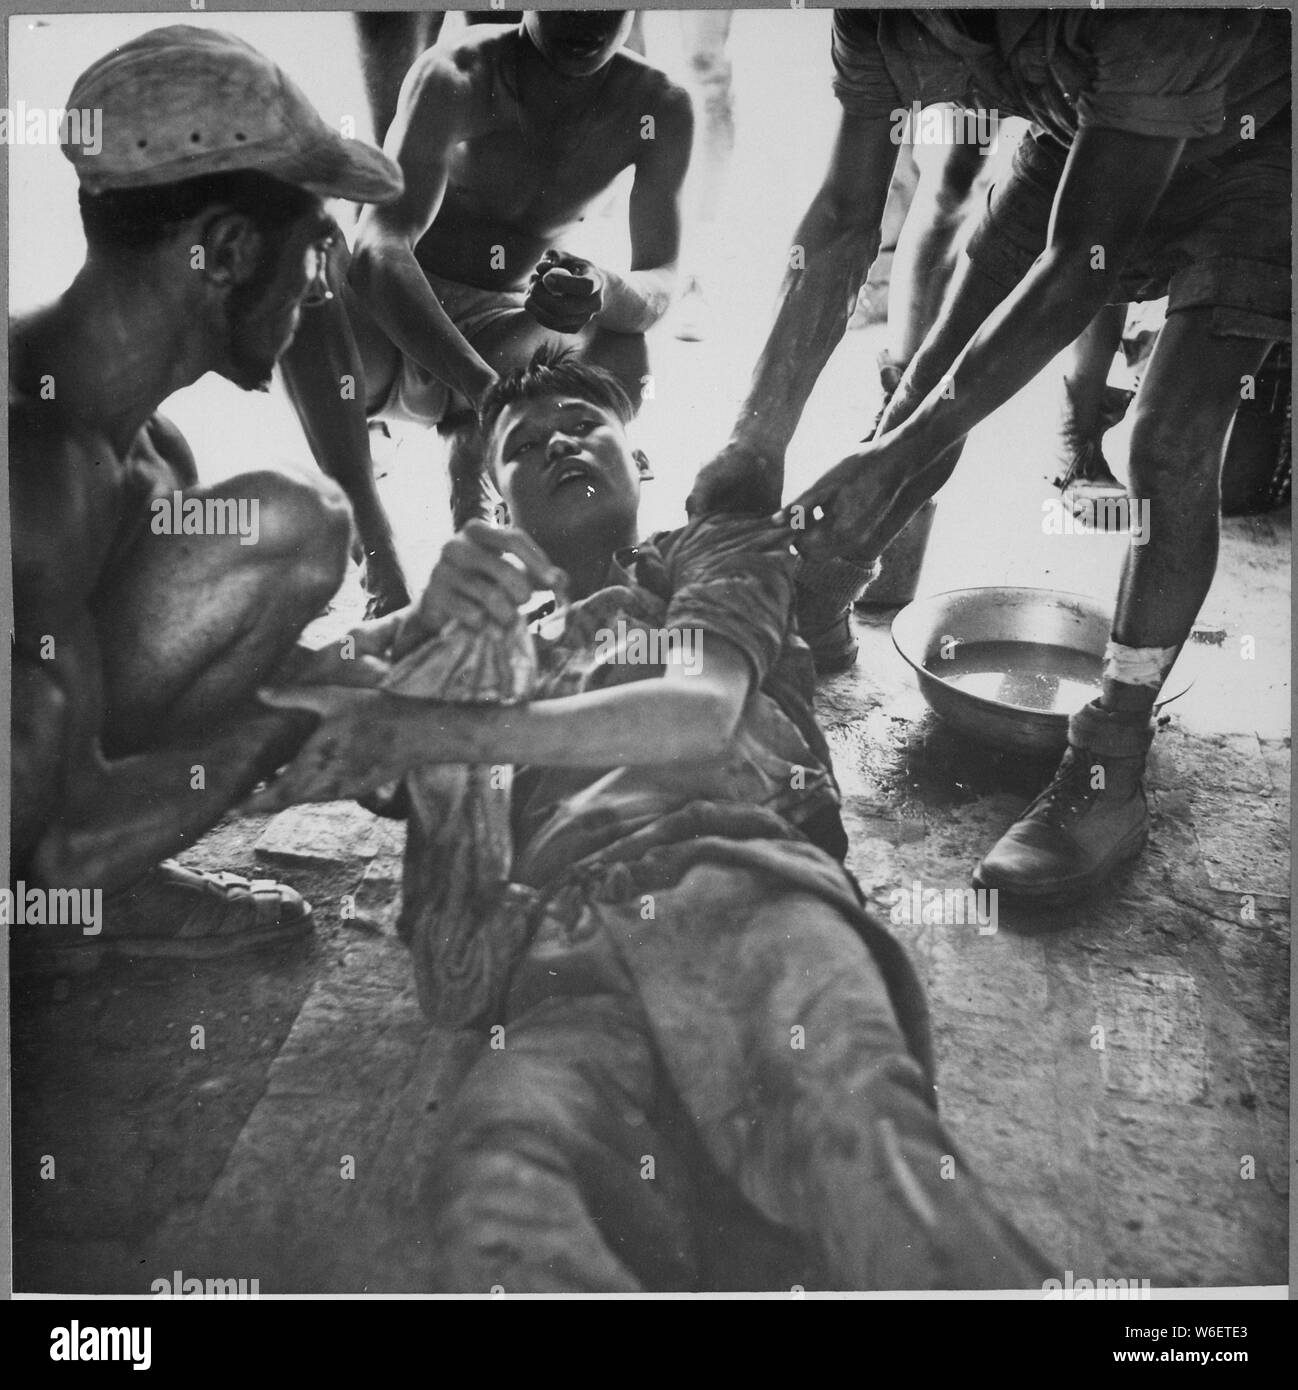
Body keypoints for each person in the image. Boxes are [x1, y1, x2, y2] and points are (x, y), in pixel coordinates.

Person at [251, 350, 1052, 1291]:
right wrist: (418, 643)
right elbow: (274, 708)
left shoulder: (711, 552)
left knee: (865, 1137)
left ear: (646, 469)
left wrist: (422, 725)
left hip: (750, 887)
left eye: (586, 426)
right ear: (496, 503)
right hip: (569, 950)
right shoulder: (484, 646)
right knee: (496, 1188)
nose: (560, 441)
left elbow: (697, 712)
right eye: (525, 444)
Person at [690, 9, 1290, 900]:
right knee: (924, 378)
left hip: (1264, 151)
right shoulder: (875, 16)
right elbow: (846, 214)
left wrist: (892, 459)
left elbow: (1081, 269)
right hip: (1080, 132)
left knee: (1168, 447)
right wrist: (755, 436)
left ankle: (1111, 762)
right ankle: (814, 602)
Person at [8, 26, 404, 948]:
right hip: (39, 863)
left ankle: (109, 883)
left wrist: (372, 665)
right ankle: (64, 916)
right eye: (312, 247)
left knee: (294, 524)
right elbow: (57, 856)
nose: (316, 289)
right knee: (64, 860)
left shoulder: (147, 452)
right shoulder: (27, 463)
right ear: (224, 251)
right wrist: (305, 717)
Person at [282, 9, 692, 616]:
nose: (586, 19)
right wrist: (484, 389)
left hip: (507, 330)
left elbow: (661, 277)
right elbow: (376, 251)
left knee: (621, 342)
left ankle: (501, 502)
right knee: (300, 270)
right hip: (390, 322)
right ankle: (378, 555)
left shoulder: (657, 104)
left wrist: (603, 287)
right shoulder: (459, 74)